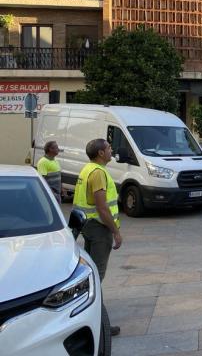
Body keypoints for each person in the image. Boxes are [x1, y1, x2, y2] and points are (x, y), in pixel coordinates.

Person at [73, 138, 123, 337]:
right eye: (109, 148)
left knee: (90, 273)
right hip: (99, 228)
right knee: (96, 276)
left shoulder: (87, 169)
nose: (111, 150)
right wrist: (116, 231)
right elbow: (102, 207)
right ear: (101, 153)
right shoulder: (98, 173)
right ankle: (99, 324)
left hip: (88, 226)